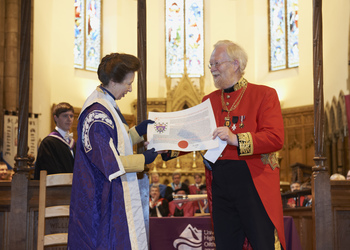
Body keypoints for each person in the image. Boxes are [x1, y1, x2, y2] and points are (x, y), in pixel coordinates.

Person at [163, 40, 286, 249]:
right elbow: (195, 136)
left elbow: (275, 138)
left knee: (262, 243)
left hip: (252, 182)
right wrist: (165, 145)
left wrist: (236, 139)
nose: (212, 69)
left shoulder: (264, 94)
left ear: (235, 64)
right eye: (210, 64)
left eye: (216, 63)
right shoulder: (208, 100)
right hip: (220, 183)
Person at [68, 52, 159, 249]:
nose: (130, 88)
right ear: (113, 81)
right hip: (99, 197)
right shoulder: (97, 114)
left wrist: (139, 131)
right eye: (128, 83)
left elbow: (117, 141)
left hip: (108, 190)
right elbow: (110, 161)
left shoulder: (106, 103)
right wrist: (143, 159)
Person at [34, 102, 75, 180]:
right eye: (65, 116)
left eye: (71, 116)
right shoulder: (48, 143)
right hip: (56, 189)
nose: (69, 119)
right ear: (56, 118)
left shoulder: (74, 144)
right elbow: (50, 170)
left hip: (73, 188)